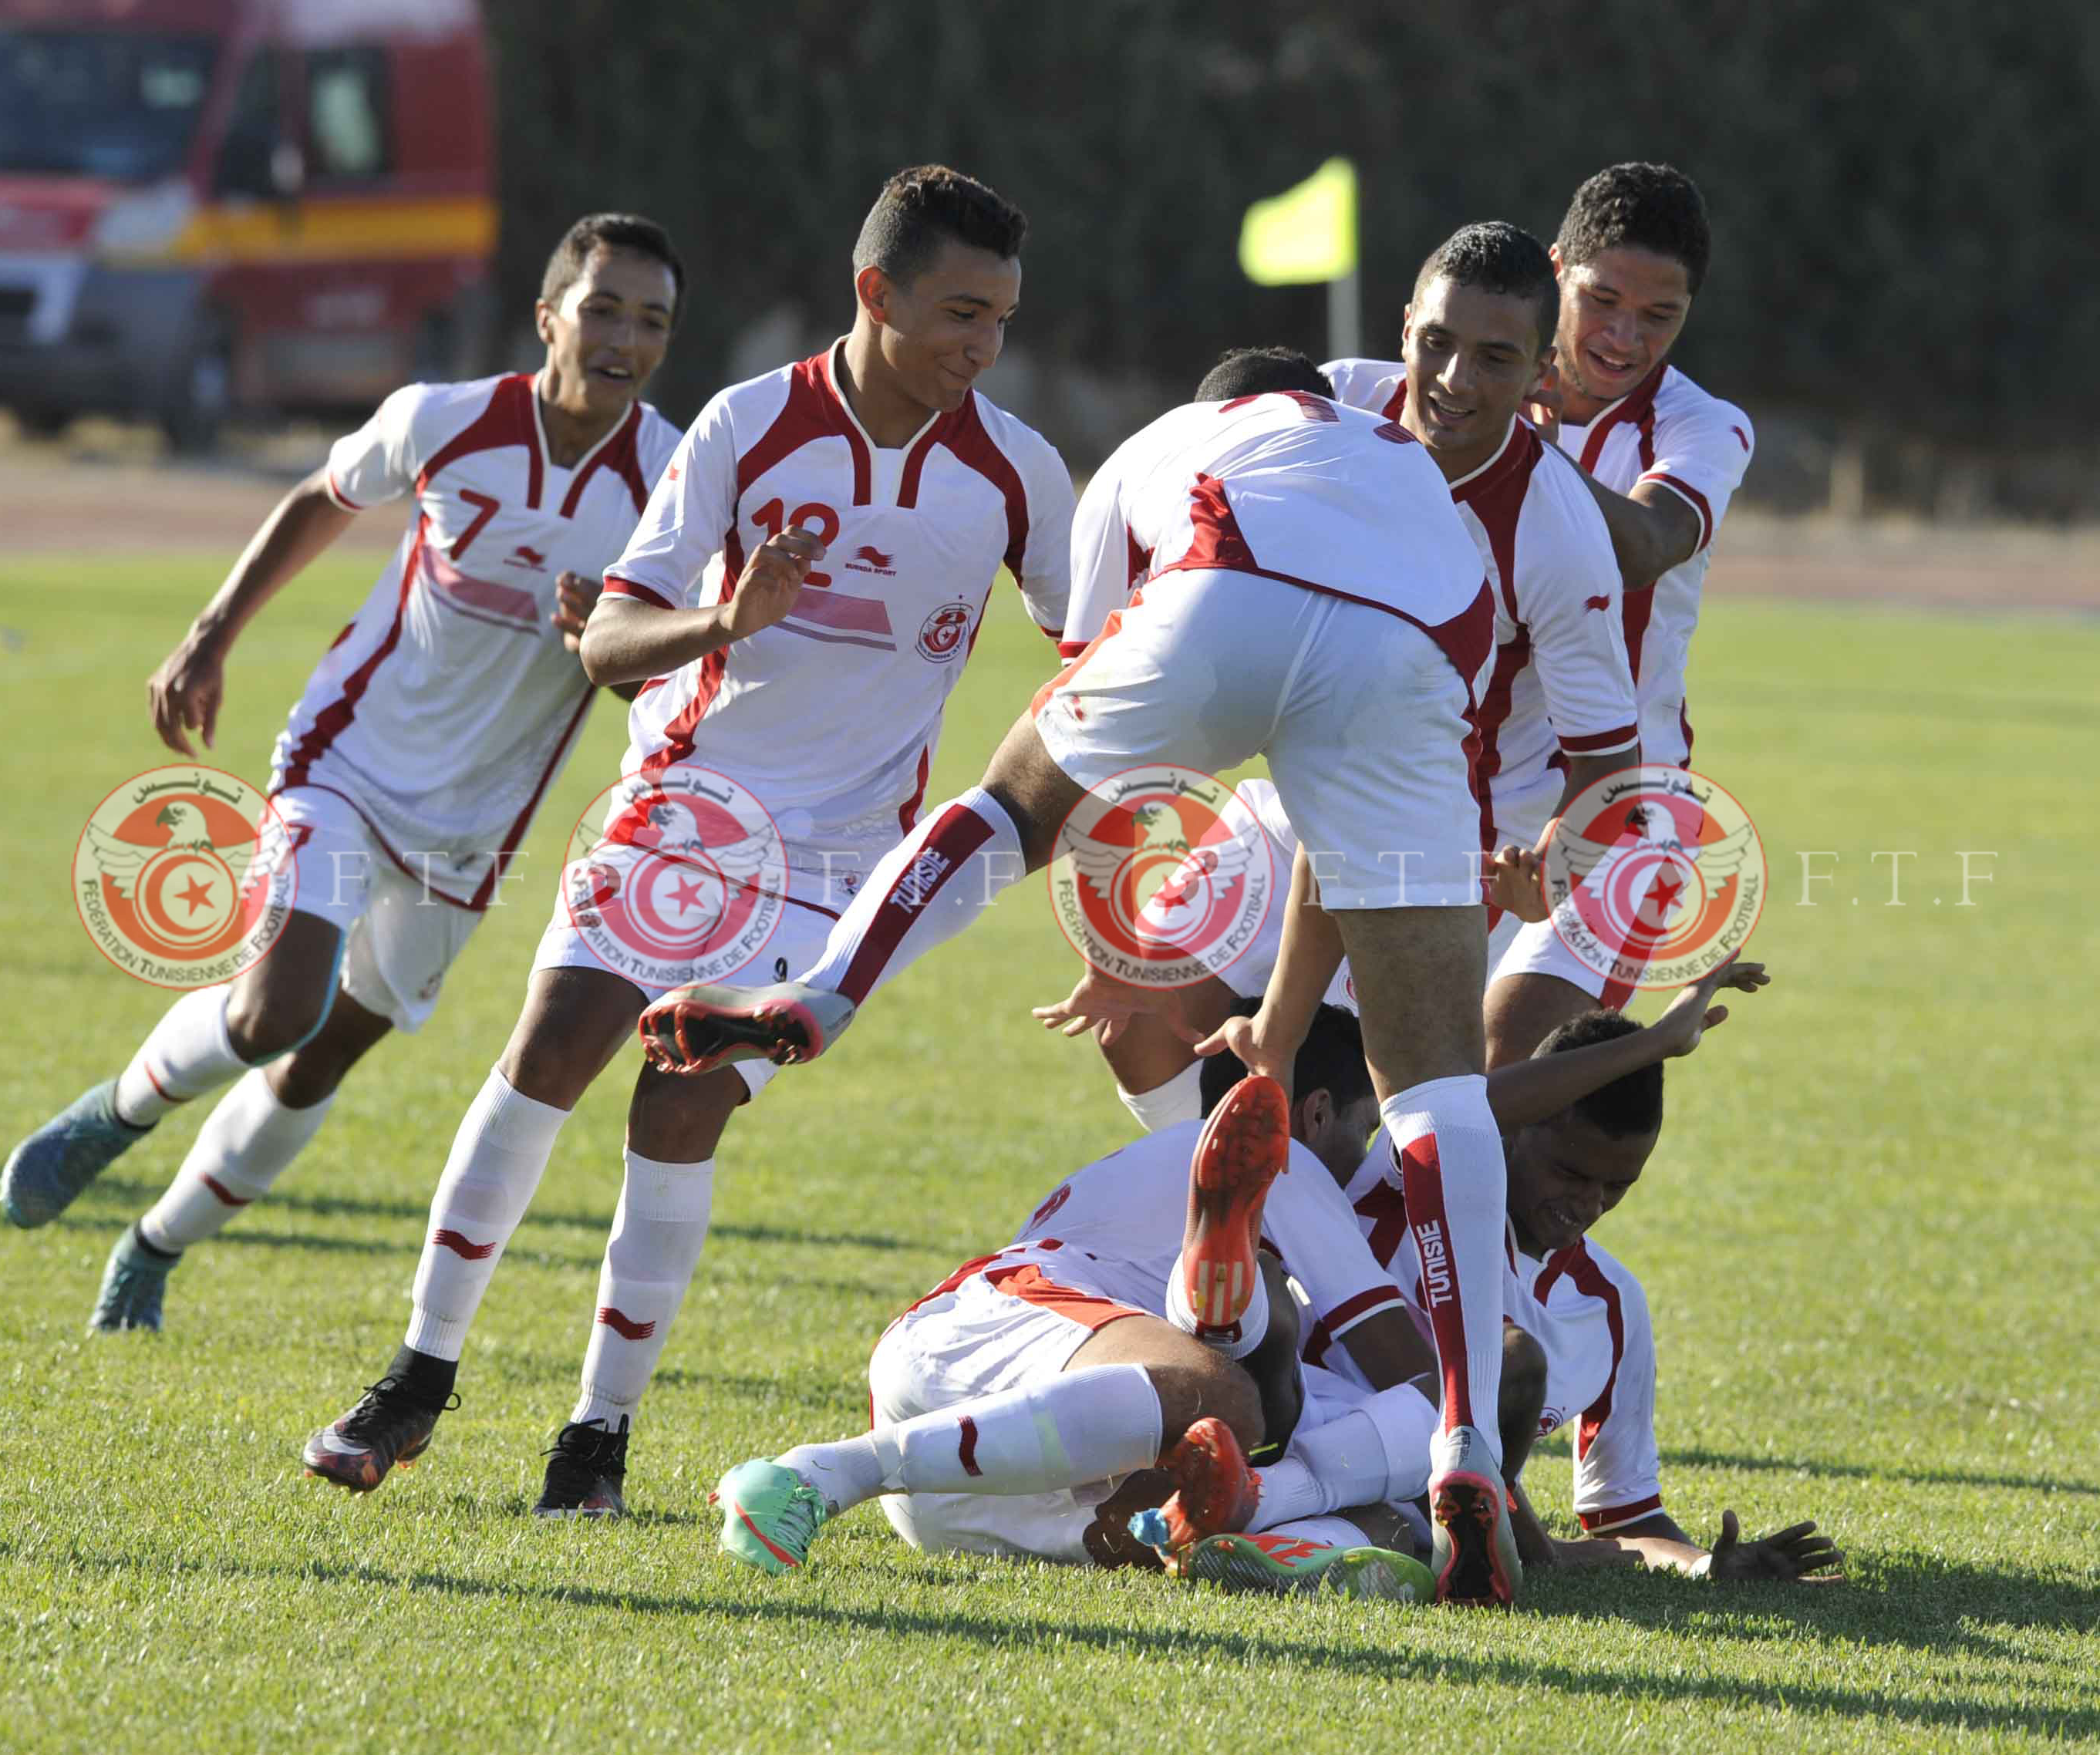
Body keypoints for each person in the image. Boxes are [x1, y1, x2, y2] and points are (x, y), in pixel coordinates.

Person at [645, 348, 1529, 1605]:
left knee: (1008, 801)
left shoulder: (1159, 448)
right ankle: (1470, 1446)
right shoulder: (1421, 485)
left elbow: (1097, 760)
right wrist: (1278, 1034)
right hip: (1418, 645)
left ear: (1214, 399)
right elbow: (1354, 826)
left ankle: (824, 990)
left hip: (1224, 590)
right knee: (1441, 1085)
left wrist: (1141, 943)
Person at [298, 165, 1077, 1519]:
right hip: (690, 804)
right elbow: (606, 643)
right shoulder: (750, 425)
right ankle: (418, 1374)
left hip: (840, 871)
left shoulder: (1015, 471)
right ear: (875, 292)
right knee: (548, 1053)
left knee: (681, 1102)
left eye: (1001, 320)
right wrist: (727, 622)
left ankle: (594, 1442)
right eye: (959, 312)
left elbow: (1101, 657)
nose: (982, 346)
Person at [0, 214, 688, 1333]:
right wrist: (211, 634)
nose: (624, 337)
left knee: (318, 1060)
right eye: (603, 307)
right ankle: (110, 1118)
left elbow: (664, 674)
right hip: (349, 764)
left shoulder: (672, 478)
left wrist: (599, 647)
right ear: (549, 316)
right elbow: (322, 498)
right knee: (278, 1006)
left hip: (475, 828)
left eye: (651, 320)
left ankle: (153, 1244)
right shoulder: (445, 419)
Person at [1077, 222, 1642, 1127]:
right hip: (1299, 798)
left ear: (1543, 374)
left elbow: (1609, 764)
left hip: (1447, 838)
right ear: (1406, 323)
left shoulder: (1557, 532)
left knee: (1388, 1097)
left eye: (1496, 358)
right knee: (1131, 1014)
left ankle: (1321, 1235)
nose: (1455, 380)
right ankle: (1248, 1218)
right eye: (1438, 343)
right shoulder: (1329, 405)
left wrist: (1558, 868)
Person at [713, 1013, 1474, 1604]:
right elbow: (1429, 1388)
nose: (1364, 1152)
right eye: (1364, 1128)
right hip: (995, 1334)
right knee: (1258, 1402)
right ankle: (824, 1470)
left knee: (1366, 1520)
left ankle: (1289, 1522)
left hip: (981, 1472)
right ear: (1312, 1114)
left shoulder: (1127, 1173)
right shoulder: (1291, 1160)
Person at [1316, 960, 1844, 1583]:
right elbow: (1466, 1106)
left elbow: (1627, 1518)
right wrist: (1658, 1041)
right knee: (1510, 1363)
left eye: (1617, 1186)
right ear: (1514, 1133)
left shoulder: (1612, 1303)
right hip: (1305, 1432)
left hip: (1400, 1510)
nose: (1589, 1205)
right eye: (1570, 1173)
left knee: (1396, 1531)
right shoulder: (1419, 1181)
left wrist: (1705, 1565)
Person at [1487, 163, 1758, 1063]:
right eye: (1602, 298)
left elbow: (1645, 542)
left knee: (1487, 1080)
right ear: (1557, 268)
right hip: (1457, 804)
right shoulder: (1466, 387)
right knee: (1345, 1084)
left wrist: (1503, 443)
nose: (1623, 335)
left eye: (1659, 316)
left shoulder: (1703, 427)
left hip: (1620, 815)